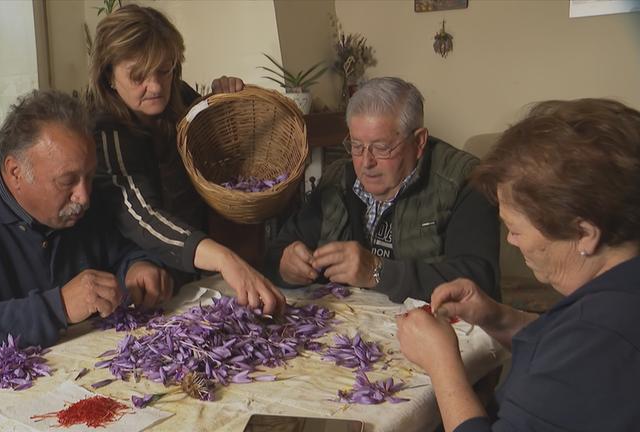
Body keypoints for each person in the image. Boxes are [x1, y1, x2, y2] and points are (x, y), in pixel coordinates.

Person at [397, 98, 640, 431]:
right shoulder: (617, 291)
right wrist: (498, 318)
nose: (511, 241)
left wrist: (442, 364)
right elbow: (562, 348)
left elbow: (580, 354)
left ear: (584, 234)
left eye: (515, 229)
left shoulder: (601, 335)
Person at [0, 90, 171, 376]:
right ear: (15, 172)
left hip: (72, 375)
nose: (84, 196)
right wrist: (57, 307)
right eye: (68, 181)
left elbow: (119, 250)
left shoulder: (82, 203)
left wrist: (137, 265)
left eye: (89, 176)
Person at [87, 4, 285, 314]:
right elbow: (143, 215)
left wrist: (222, 101)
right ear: (109, 75)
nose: (154, 86)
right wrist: (225, 259)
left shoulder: (178, 96)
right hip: (142, 272)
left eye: (163, 71)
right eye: (138, 76)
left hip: (193, 266)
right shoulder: (105, 133)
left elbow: (221, 148)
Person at [264, 77, 499, 302]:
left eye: (382, 147)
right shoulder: (337, 180)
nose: (366, 162)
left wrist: (378, 272)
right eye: (356, 146)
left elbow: (479, 281)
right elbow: (274, 255)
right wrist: (285, 267)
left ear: (418, 142)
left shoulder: (464, 180)